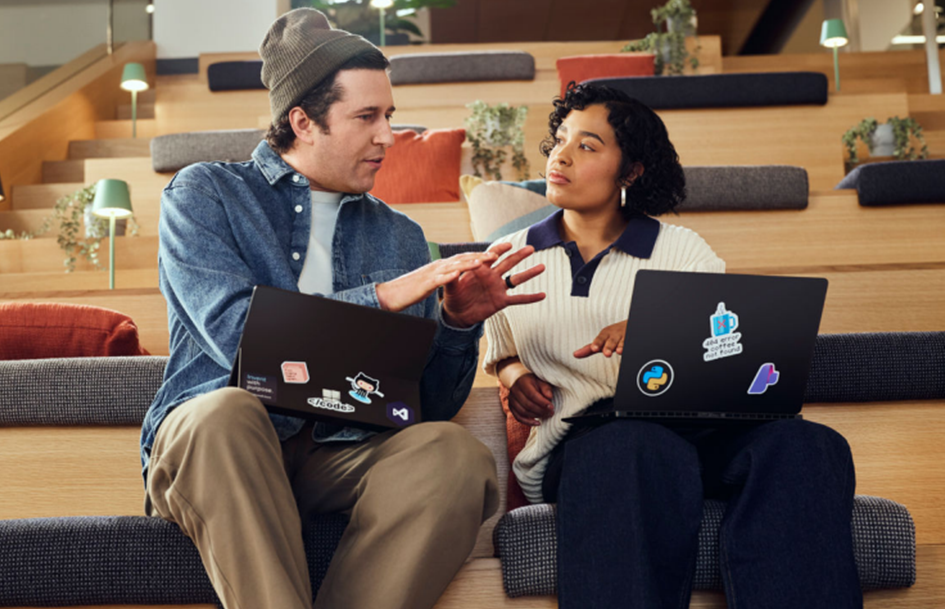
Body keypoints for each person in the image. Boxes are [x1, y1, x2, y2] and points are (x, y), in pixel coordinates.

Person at [139, 8, 546, 609]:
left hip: (341, 450)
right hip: (222, 446)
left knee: (455, 455)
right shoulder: (206, 194)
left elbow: (425, 406)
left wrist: (457, 326)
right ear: (303, 122)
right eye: (366, 117)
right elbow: (234, 335)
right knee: (224, 413)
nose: (389, 136)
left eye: (389, 116)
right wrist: (380, 298)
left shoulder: (400, 236)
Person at [484, 83, 862, 608]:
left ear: (631, 172)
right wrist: (515, 376)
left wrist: (654, 330)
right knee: (634, 445)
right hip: (596, 436)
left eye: (587, 146)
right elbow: (499, 350)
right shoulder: (510, 254)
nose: (561, 156)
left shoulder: (682, 249)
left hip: (701, 429)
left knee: (810, 444)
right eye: (561, 139)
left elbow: (722, 347)